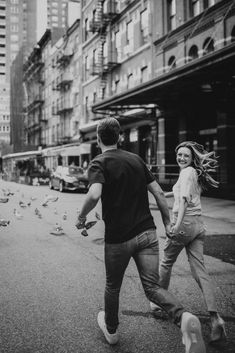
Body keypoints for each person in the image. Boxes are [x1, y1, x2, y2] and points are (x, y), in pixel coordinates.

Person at [75, 118, 206, 352]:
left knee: (113, 286)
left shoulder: (98, 162)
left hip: (119, 239)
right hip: (147, 234)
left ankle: (112, 331)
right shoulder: (136, 159)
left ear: (97, 138)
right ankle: (184, 317)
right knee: (152, 288)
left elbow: (94, 194)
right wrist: (167, 221)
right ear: (119, 137)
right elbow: (157, 191)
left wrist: (81, 217)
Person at [150, 141, 226, 343]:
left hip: (184, 224)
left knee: (166, 262)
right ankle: (215, 318)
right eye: (179, 154)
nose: (181, 158)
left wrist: (176, 225)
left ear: (192, 158)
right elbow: (180, 195)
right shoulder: (193, 173)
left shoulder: (186, 173)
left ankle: (159, 304)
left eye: (186, 155)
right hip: (198, 226)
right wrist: (159, 194)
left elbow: (183, 201)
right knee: (200, 270)